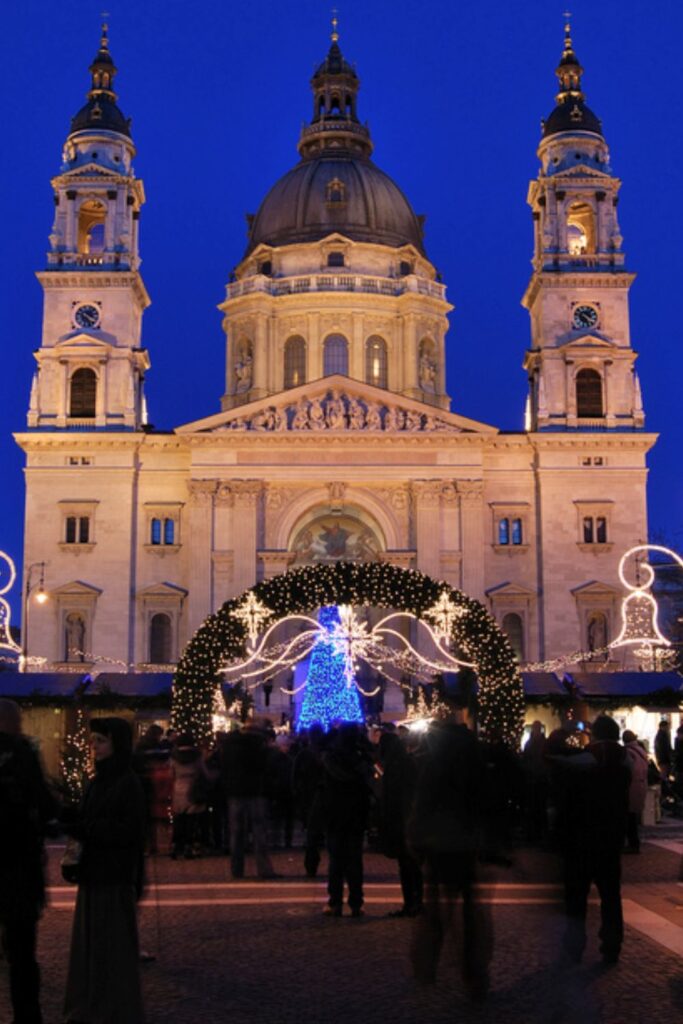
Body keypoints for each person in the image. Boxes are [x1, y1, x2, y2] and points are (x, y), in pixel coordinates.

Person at [63, 717, 147, 1024]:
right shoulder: (98, 779)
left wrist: (88, 829)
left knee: (111, 947)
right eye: (93, 740)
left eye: (101, 741)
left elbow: (129, 831)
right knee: (93, 946)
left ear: (117, 744)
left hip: (113, 875)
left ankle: (111, 1008)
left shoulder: (127, 782)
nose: (94, 746)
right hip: (95, 873)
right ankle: (92, 1004)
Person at [407, 717, 491, 1000]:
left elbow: (422, 804)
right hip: (467, 845)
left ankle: (427, 964)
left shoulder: (434, 765)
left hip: (438, 845)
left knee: (435, 908)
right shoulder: (475, 766)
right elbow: (487, 806)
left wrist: (416, 841)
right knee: (471, 911)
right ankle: (474, 970)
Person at [553, 714, 630, 966]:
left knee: (576, 897)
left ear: (595, 733)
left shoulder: (585, 760)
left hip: (581, 838)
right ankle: (611, 944)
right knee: (610, 896)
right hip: (610, 838)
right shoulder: (624, 760)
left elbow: (566, 796)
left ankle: (574, 945)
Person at [0, 698, 56, 1024]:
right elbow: (43, 802)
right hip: (20, 864)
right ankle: (27, 1017)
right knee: (22, 953)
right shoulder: (23, 754)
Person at [319, 723, 374, 917]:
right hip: (356, 812)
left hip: (335, 812)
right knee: (354, 860)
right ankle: (356, 902)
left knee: (336, 860)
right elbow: (371, 780)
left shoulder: (330, 757)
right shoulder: (360, 758)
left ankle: (335, 902)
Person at [219, 720, 276, 879]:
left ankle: (236, 869)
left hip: (235, 792)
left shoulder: (229, 744)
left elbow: (224, 767)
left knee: (236, 833)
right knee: (259, 832)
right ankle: (263, 869)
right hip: (256, 792)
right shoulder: (260, 746)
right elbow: (266, 768)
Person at [378, 731, 423, 917]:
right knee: (411, 865)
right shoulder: (407, 762)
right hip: (409, 819)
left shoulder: (395, 767)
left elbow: (394, 797)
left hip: (402, 820)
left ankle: (411, 903)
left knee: (407, 865)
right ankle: (416, 901)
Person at [622, 730, 649, 853]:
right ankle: (634, 843)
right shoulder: (641, 750)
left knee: (628, 817)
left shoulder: (628, 752)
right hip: (641, 785)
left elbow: (631, 771)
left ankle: (633, 844)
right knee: (633, 817)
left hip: (631, 787)